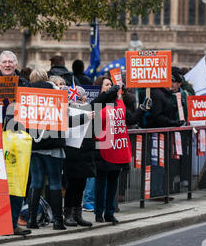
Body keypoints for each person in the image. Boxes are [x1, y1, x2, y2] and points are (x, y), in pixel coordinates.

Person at [26, 72, 92, 230]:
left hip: (34, 146)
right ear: (47, 79)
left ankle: (31, 220)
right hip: (53, 145)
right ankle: (57, 221)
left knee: (35, 182)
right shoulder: (56, 94)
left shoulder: (26, 95)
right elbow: (66, 121)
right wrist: (86, 117)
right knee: (55, 182)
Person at [92, 75, 146, 224]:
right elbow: (96, 126)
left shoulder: (118, 102)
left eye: (111, 85)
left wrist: (142, 109)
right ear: (100, 88)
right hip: (103, 146)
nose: (110, 87)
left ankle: (110, 212)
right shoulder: (98, 103)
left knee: (114, 182)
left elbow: (130, 120)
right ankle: (99, 212)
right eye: (106, 85)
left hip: (118, 147)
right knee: (101, 183)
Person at [63, 86, 94, 227]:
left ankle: (77, 213)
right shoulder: (67, 110)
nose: (84, 98)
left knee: (81, 184)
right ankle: (68, 214)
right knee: (71, 185)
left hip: (84, 151)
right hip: (71, 151)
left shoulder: (89, 110)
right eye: (81, 96)